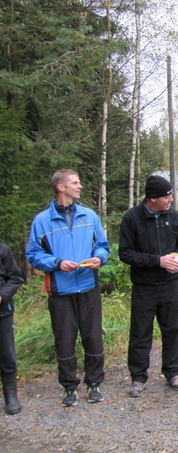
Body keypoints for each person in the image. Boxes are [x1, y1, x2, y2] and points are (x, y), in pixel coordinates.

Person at [26, 169, 109, 407]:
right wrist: (57, 263)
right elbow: (33, 254)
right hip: (60, 291)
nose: (79, 186)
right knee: (64, 340)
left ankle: (94, 383)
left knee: (93, 338)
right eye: (75, 182)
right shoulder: (42, 220)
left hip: (88, 287)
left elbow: (103, 245)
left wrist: (99, 258)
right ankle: (69, 387)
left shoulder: (89, 215)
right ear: (61, 187)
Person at [119, 175, 178, 398]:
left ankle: (172, 373)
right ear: (152, 198)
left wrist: (177, 256)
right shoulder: (132, 218)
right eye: (167, 196)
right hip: (144, 287)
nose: (171, 200)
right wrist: (158, 261)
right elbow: (125, 253)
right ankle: (138, 377)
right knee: (140, 334)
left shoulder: (173, 215)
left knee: (172, 331)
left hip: (170, 286)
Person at [0, 241, 23, 414]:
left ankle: (10, 394)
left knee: (7, 354)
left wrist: (2, 296)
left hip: (2, 311)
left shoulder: (2, 248)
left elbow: (15, 278)